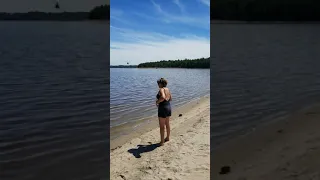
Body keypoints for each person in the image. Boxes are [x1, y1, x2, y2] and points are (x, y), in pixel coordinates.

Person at [156, 78, 172, 146]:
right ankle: (167, 138)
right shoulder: (167, 89)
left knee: (162, 126)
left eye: (158, 83)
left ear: (161, 83)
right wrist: (165, 100)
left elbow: (162, 97)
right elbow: (171, 98)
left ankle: (162, 142)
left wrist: (157, 102)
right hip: (168, 107)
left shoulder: (161, 89)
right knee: (167, 124)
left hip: (163, 108)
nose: (158, 85)